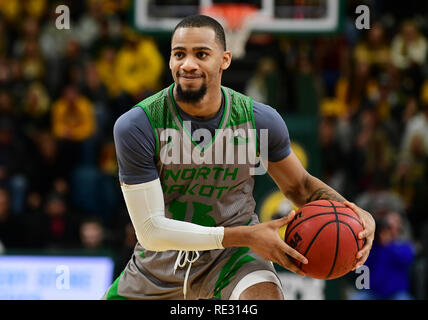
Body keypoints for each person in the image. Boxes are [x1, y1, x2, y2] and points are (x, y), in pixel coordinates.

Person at [105, 15, 375, 300]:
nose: (187, 64)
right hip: (158, 265)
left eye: (201, 54)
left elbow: (301, 188)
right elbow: (150, 231)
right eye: (179, 54)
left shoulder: (259, 120)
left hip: (233, 261)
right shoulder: (138, 124)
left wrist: (355, 214)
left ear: (225, 59)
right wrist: (247, 235)